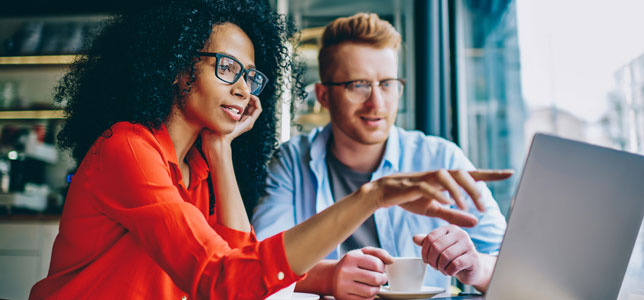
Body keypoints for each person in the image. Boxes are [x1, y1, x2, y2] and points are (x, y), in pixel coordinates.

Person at [29, 2, 511, 299]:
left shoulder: (196, 166)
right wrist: (372, 196)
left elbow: (240, 264)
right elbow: (222, 281)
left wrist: (219, 149)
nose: (243, 88)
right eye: (226, 68)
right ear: (176, 69)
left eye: (249, 76)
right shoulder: (128, 149)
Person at [251, 12, 509, 299]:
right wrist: (327, 277)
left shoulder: (440, 158)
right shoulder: (292, 161)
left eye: (387, 84)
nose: (377, 102)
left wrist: (477, 268)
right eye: (358, 85)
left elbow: (514, 265)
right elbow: (258, 266)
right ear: (323, 96)